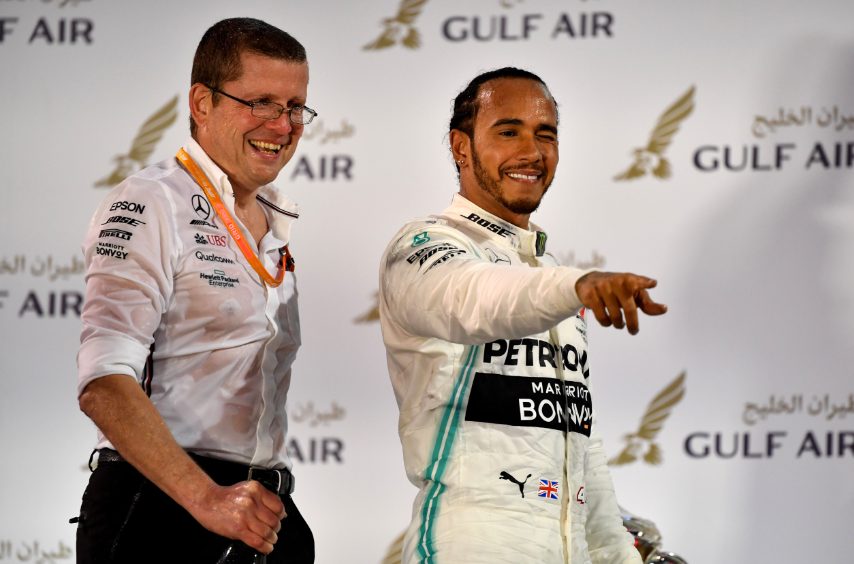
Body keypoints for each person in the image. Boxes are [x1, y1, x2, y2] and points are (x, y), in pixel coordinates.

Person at [378, 67, 668, 563]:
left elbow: (581, 445)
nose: (532, 152)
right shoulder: (425, 244)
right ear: (461, 146)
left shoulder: (547, 271)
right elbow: (474, 299)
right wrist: (576, 285)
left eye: (545, 134)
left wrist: (618, 555)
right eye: (508, 132)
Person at [74, 18, 316, 563]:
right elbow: (103, 383)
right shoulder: (151, 201)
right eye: (260, 103)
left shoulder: (275, 218)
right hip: (162, 507)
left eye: (295, 107)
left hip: (262, 506)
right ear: (202, 103)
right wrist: (206, 498)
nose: (283, 125)